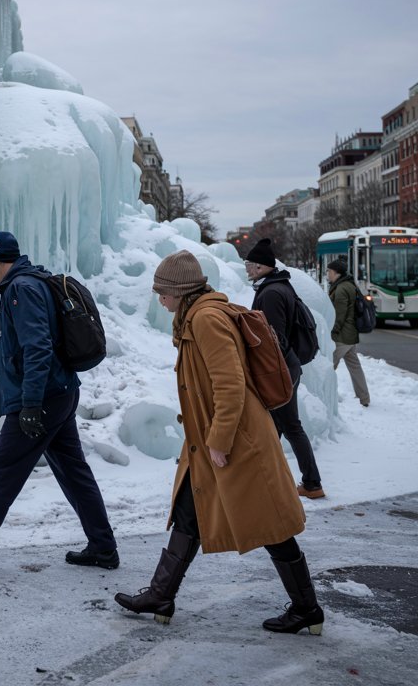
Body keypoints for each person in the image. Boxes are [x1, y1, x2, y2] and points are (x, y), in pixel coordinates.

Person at [113, 250, 324, 635]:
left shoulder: (206, 319)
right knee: (188, 511)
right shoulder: (195, 315)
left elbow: (230, 385)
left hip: (237, 441)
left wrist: (220, 440)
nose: (159, 298)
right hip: (209, 439)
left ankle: (306, 608)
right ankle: (161, 595)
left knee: (272, 525)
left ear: (180, 290)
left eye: (163, 291)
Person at [0, 231, 119, 572]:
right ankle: (103, 547)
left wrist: (30, 404)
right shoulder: (32, 283)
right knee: (73, 471)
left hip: (42, 399)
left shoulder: (22, 289)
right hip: (60, 392)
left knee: (1, 470)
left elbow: (37, 348)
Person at [245, 238, 325, 499]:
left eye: (248, 264)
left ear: (260, 266)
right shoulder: (278, 286)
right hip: (285, 368)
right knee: (278, 426)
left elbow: (274, 339)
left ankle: (309, 484)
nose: (246, 269)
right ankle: (268, 480)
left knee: (287, 426)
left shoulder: (271, 293)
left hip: (279, 370)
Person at [326, 260, 370, 408]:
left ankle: (322, 396)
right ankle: (364, 398)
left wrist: (332, 331)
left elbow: (339, 315)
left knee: (328, 367)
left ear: (336, 272)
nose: (327, 274)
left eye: (329, 271)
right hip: (350, 335)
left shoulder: (341, 289)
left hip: (342, 337)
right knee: (355, 366)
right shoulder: (349, 285)